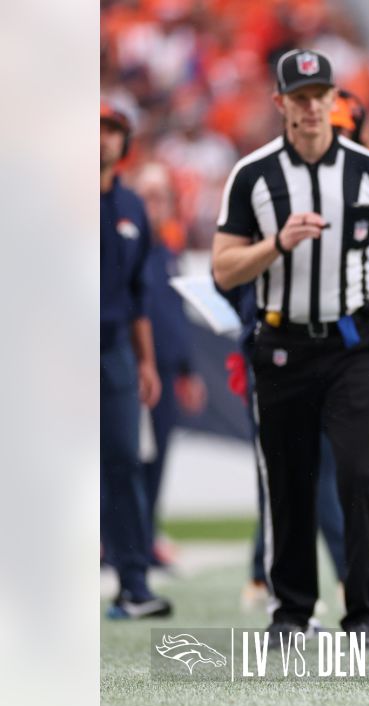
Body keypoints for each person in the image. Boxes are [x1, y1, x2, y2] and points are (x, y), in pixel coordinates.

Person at [211, 49, 369, 650]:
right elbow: (224, 269)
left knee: (362, 476)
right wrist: (275, 244)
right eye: (299, 97)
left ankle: (364, 612)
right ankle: (292, 612)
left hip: (351, 345)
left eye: (320, 95)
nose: (311, 107)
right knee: (287, 481)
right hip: (279, 344)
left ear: (334, 99)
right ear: (280, 103)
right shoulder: (252, 175)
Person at [100, 100, 171, 619]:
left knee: (125, 461)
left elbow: (140, 293)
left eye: (112, 131)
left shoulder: (131, 207)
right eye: (96, 130)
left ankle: (132, 583)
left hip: (115, 348)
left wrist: (147, 363)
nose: (103, 139)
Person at [134, 163, 208, 569]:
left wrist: (187, 370)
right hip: (132, 371)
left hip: (165, 368)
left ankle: (144, 539)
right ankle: (120, 542)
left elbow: (175, 316)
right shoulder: (121, 247)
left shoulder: (167, 250)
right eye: (148, 195)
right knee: (126, 458)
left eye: (161, 196)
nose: (155, 204)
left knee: (157, 457)